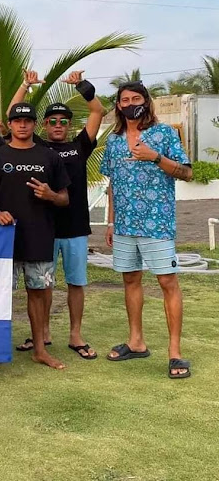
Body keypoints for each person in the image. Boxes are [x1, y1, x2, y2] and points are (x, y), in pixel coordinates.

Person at [7, 70, 104, 360]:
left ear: (69, 125)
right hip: (43, 228)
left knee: (76, 282)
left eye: (64, 121)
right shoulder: (38, 146)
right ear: (44, 125)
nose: (58, 125)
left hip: (74, 227)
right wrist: (25, 85)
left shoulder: (79, 146)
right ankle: (44, 333)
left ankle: (75, 335)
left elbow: (98, 111)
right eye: (53, 121)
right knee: (42, 284)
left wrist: (82, 86)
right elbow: (15, 113)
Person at [101, 81, 192, 379]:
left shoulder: (164, 134)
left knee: (167, 282)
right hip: (125, 225)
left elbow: (187, 172)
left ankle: (175, 352)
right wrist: (111, 221)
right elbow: (112, 184)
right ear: (117, 105)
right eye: (124, 99)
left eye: (135, 98)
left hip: (157, 223)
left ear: (146, 101)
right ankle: (136, 342)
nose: (129, 103)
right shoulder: (113, 140)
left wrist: (155, 157)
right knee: (130, 280)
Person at [0, 102, 70, 370]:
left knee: (39, 293)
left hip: (39, 235)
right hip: (2, 238)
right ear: (9, 124)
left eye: (28, 121)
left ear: (34, 124)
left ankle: (40, 349)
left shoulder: (50, 157)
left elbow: (65, 198)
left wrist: (51, 195)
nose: (22, 125)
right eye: (17, 121)